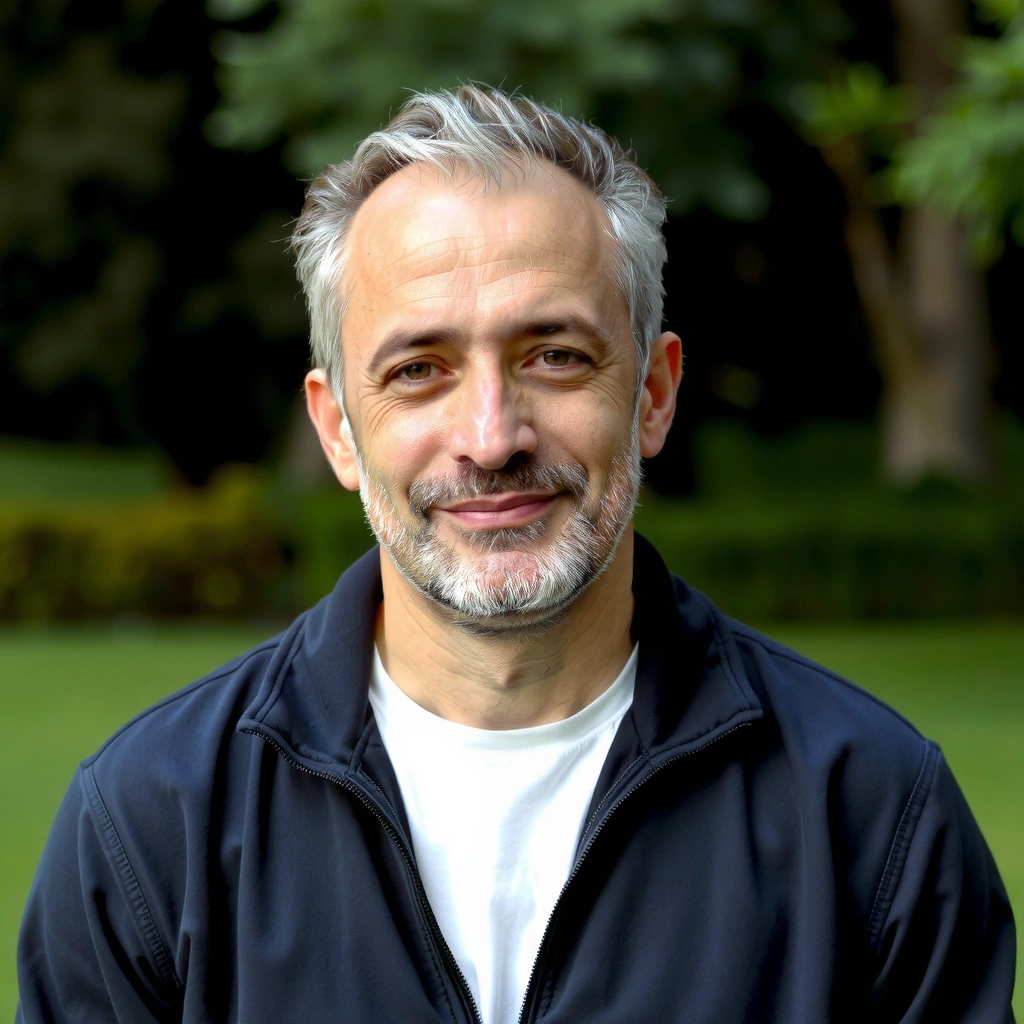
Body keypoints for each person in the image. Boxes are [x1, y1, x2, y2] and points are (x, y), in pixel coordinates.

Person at [17, 85, 1015, 1024]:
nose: (491, 436)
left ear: (654, 393)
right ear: (336, 432)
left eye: (555, 355)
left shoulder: (869, 814)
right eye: (419, 370)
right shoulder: (150, 829)